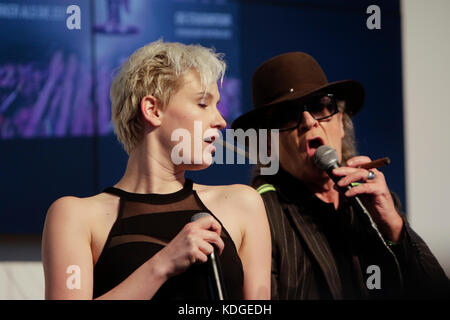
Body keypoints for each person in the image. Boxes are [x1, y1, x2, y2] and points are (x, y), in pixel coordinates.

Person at [42, 40, 271, 300]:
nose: (220, 121)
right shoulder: (76, 216)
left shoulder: (243, 203)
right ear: (153, 109)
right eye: (203, 104)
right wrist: (161, 265)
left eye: (218, 106)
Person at [231, 52, 450, 299]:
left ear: (341, 123)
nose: (309, 121)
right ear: (267, 144)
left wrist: (395, 228)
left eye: (319, 106)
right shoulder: (261, 216)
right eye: (288, 115)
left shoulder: (371, 202)